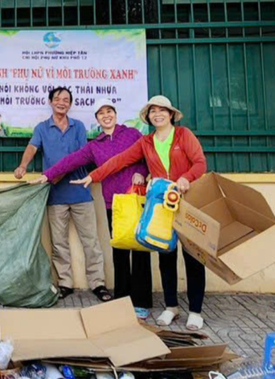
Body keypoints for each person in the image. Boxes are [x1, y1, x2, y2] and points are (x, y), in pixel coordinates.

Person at [72, 95, 207, 330]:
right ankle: (171, 307)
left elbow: (200, 163)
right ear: (148, 117)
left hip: (189, 202)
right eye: (153, 111)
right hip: (161, 206)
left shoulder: (184, 135)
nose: (158, 114)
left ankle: (195, 311)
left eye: (162, 110)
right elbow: (119, 161)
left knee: (193, 257)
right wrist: (93, 176)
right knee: (166, 254)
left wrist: (186, 178)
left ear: (171, 114)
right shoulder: (146, 142)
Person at [31, 98, 152, 319]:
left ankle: (142, 300)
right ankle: (123, 299)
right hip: (113, 203)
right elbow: (71, 161)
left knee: (141, 250)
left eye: (109, 112)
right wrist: (46, 175)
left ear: (115, 114)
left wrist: (141, 173)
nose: (106, 116)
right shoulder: (95, 146)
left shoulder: (132, 134)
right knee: (120, 250)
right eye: (101, 114)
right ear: (97, 119)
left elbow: (147, 156)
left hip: (136, 199)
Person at [14, 87, 111, 302]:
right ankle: (65, 283)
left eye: (66, 99)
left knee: (91, 242)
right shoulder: (42, 128)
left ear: (70, 104)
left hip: (80, 192)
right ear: (50, 102)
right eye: (57, 99)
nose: (61, 102)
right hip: (55, 195)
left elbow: (81, 156)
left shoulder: (78, 127)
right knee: (59, 243)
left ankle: (98, 284)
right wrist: (22, 166)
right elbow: (32, 147)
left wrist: (58, 173)